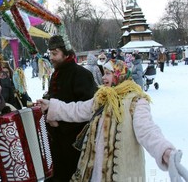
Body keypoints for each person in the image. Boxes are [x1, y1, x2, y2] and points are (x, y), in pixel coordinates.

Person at [38, 59, 188, 181]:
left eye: (108, 73)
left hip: (121, 174)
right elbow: (77, 110)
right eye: (104, 73)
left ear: (119, 74)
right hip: (95, 173)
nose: (103, 77)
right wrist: (51, 106)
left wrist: (164, 151)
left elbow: (147, 130)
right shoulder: (102, 97)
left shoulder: (136, 101)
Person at [43, 35, 97, 182]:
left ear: (66, 54)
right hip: (55, 141)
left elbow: (88, 111)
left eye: (55, 54)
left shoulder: (82, 74)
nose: (51, 58)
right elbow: (56, 96)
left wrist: (60, 123)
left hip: (73, 144)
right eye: (50, 54)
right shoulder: (56, 73)